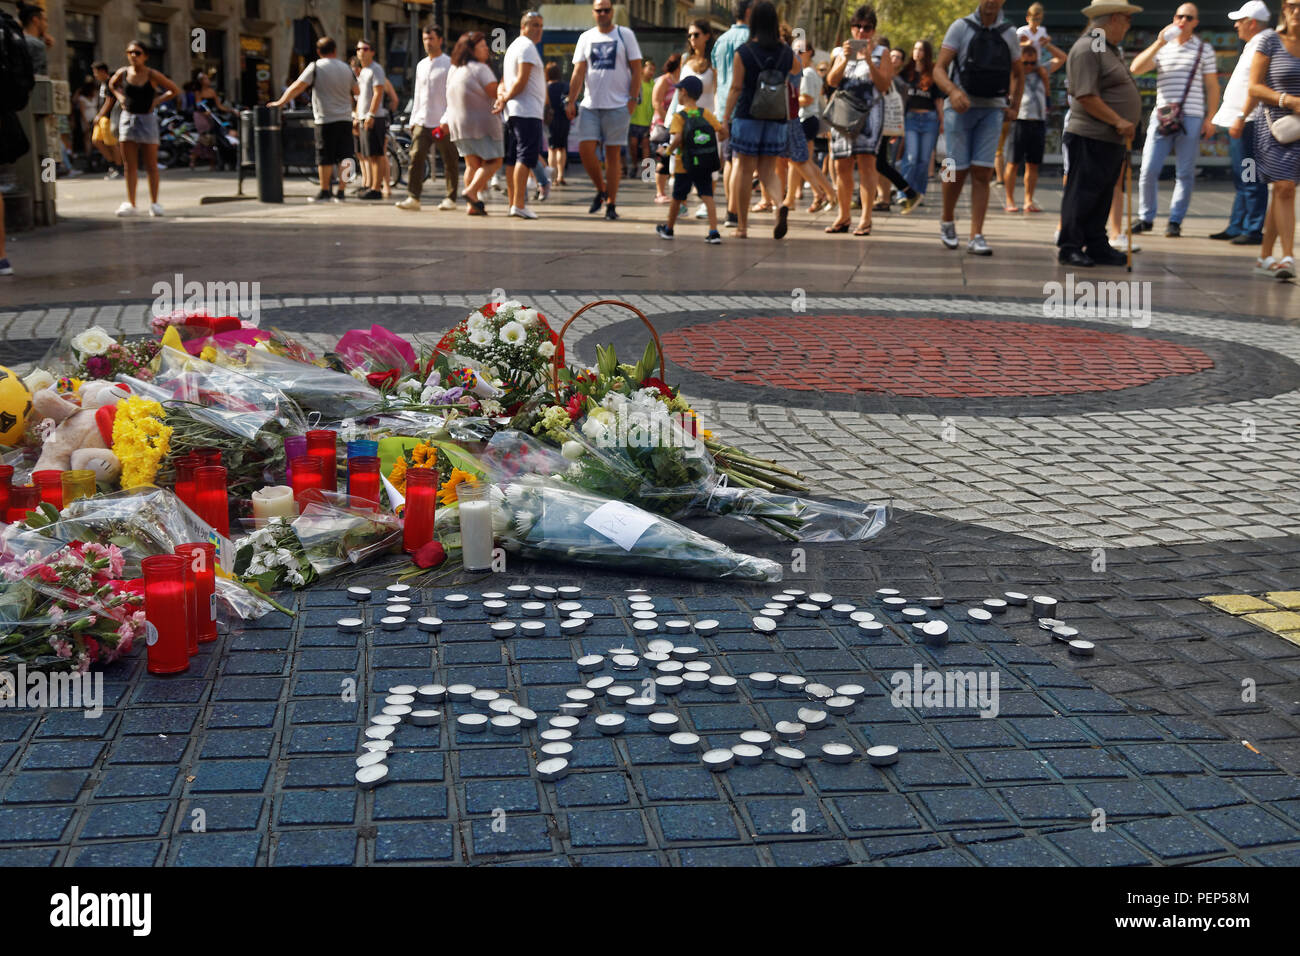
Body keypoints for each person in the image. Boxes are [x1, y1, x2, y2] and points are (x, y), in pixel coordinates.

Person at [933, 0, 1025, 255]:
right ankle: (947, 219)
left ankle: (977, 235)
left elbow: (1019, 73)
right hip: (959, 108)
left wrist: (1014, 106)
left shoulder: (1009, 33)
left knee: (983, 173)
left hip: (992, 110)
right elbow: (939, 68)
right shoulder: (960, 27)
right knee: (953, 168)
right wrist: (952, 91)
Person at [1058, 2, 1141, 267]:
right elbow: (1085, 95)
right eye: (1127, 20)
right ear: (1115, 18)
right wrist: (1118, 120)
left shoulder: (1107, 49)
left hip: (1109, 137)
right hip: (1090, 135)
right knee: (1082, 193)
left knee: (1102, 194)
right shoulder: (1087, 48)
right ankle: (1070, 246)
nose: (1128, 27)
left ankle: (1095, 243)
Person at [1129, 3, 1221, 237]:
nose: (1183, 21)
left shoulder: (1204, 49)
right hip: (1162, 114)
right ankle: (1146, 217)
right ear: (1174, 18)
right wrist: (1160, 41)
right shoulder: (1163, 47)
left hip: (1191, 115)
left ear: (1195, 22)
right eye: (1180, 16)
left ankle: (1175, 221)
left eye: (1189, 18)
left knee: (1185, 172)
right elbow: (1136, 68)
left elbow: (1212, 86)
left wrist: (1211, 117)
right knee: (1148, 168)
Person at [721, 0, 799, 239]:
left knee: (745, 170)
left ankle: (742, 226)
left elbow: (735, 88)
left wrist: (725, 118)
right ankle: (779, 204)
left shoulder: (744, 52)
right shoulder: (785, 51)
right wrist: (785, 46)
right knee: (768, 171)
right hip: (776, 117)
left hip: (748, 115)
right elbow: (797, 69)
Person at [567, 0, 643, 221]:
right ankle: (601, 190)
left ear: (612, 12)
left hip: (618, 104)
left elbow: (637, 69)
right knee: (585, 149)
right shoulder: (586, 38)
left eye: (606, 10)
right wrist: (570, 100)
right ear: (593, 13)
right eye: (598, 10)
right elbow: (578, 72)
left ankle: (611, 202)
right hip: (590, 104)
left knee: (613, 156)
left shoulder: (624, 34)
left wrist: (632, 98)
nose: (602, 13)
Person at [824, 6, 894, 236]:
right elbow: (832, 81)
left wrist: (870, 61)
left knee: (866, 163)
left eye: (867, 28)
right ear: (852, 28)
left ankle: (865, 218)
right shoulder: (840, 51)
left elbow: (883, 86)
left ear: (873, 30)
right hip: (843, 113)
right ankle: (843, 216)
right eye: (858, 27)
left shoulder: (882, 52)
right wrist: (845, 58)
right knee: (840, 164)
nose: (862, 32)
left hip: (869, 114)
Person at [1211, 2, 1275, 244]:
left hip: (1248, 121)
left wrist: (1241, 116)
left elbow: (1256, 86)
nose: (1236, 25)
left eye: (1240, 20)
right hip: (1240, 119)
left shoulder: (1264, 42)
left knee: (1250, 176)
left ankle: (1252, 229)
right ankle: (1238, 224)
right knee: (1242, 175)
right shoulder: (1254, 44)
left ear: (1252, 22)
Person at [272, 37, 359, 203]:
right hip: (345, 119)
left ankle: (325, 190)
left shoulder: (315, 67)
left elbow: (298, 86)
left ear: (319, 52)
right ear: (335, 50)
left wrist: (280, 103)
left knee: (324, 156)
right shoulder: (346, 68)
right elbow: (356, 90)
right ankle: (341, 191)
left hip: (325, 119)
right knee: (346, 156)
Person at [1249, 0, 1300, 279]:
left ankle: (1265, 254)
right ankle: (1288, 257)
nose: (1297, 10)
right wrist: (1288, 100)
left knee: (1283, 191)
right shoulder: (1270, 40)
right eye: (1292, 4)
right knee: (1284, 186)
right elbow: (1254, 86)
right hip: (1273, 125)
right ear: (1284, 8)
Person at [107, 42, 181, 217]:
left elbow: (173, 90)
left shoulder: (152, 74)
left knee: (151, 165)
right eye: (130, 52)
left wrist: (155, 102)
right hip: (128, 118)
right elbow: (112, 85)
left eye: (137, 52)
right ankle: (131, 203)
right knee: (129, 165)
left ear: (145, 56)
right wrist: (120, 97)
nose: (133, 55)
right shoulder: (123, 73)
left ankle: (154, 203)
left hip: (147, 119)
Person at [655, 74, 725, 243]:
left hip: (683, 164)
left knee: (678, 198)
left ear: (684, 92)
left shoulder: (679, 117)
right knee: (707, 195)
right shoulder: (705, 113)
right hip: (704, 163)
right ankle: (714, 231)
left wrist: (667, 151)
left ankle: (669, 229)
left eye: (678, 91)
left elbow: (678, 138)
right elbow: (722, 131)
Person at [396, 26, 458, 212]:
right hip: (422, 121)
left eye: (431, 38)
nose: (427, 42)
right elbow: (418, 93)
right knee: (415, 157)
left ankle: (450, 198)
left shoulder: (449, 64)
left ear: (440, 40)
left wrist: (447, 118)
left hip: (442, 122)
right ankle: (413, 197)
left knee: (449, 160)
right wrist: (413, 119)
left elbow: (453, 94)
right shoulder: (421, 65)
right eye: (425, 39)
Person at [496, 11, 548, 220]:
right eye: (534, 25)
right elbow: (521, 80)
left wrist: (503, 98)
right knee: (525, 158)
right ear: (523, 27)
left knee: (512, 159)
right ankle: (519, 204)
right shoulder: (526, 46)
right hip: (527, 112)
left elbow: (505, 80)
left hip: (515, 112)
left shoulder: (513, 47)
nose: (538, 29)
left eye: (541, 25)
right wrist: (506, 97)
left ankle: (513, 203)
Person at [1004, 38, 1065, 212]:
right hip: (1020, 120)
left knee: (1033, 164)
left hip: (1038, 121)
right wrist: (1020, 45)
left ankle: (1028, 200)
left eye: (1032, 62)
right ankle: (1009, 200)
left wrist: (1045, 44)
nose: (1029, 66)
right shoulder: (1014, 72)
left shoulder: (1042, 70)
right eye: (1026, 62)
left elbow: (1062, 58)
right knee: (1013, 162)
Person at [446, 31, 503, 216]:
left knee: (472, 164)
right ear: (471, 50)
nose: (487, 49)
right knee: (494, 161)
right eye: (483, 46)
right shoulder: (480, 68)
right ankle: (471, 192)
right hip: (481, 123)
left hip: (458, 123)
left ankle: (473, 204)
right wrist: (504, 83)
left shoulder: (454, 69)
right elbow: (494, 92)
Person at [713, 0, 753, 227]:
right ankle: (734, 212)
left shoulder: (721, 40)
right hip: (745, 106)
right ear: (748, 12)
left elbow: (719, 76)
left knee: (728, 161)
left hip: (723, 109)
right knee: (740, 162)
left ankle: (730, 209)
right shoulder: (752, 39)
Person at [789, 38, 835, 212]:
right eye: (794, 51)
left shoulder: (807, 73)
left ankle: (821, 194)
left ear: (809, 52)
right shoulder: (809, 72)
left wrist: (789, 99)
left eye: (800, 51)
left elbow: (807, 99)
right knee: (801, 161)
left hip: (805, 119)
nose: (796, 54)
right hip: (807, 119)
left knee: (800, 160)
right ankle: (824, 194)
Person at [897, 40, 943, 206]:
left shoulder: (933, 72)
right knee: (911, 157)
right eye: (915, 49)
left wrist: (942, 120)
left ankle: (919, 193)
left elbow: (938, 100)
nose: (917, 52)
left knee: (924, 160)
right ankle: (904, 192)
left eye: (921, 49)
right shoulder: (905, 73)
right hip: (910, 119)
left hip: (930, 119)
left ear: (927, 52)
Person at [354, 39, 392, 200]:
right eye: (358, 49)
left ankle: (377, 188)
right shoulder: (363, 71)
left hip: (375, 117)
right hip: (363, 117)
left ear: (372, 52)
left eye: (365, 48)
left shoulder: (376, 69)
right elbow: (361, 97)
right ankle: (371, 186)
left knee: (377, 154)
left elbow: (378, 93)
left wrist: (370, 114)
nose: (361, 51)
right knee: (368, 155)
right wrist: (357, 116)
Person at [651, 54, 682, 202]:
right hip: (663, 125)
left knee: (672, 157)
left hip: (676, 125)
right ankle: (659, 193)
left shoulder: (680, 80)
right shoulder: (665, 80)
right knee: (662, 157)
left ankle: (668, 190)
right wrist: (667, 121)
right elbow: (656, 103)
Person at [90, 61, 123, 178]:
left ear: (103, 71)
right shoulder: (102, 84)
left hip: (108, 117)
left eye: (96, 72)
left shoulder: (110, 83)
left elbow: (110, 101)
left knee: (112, 143)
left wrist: (100, 115)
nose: (95, 75)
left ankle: (119, 168)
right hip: (102, 118)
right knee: (96, 141)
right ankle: (112, 164)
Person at [546, 62, 570, 184]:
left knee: (551, 149)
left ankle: (553, 178)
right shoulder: (565, 86)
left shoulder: (545, 87)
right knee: (562, 148)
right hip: (563, 119)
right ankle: (561, 176)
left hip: (550, 120)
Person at [18, 3, 48, 76]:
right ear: (35, 20)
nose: (46, 25)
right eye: (45, 20)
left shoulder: (17, 39)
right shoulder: (37, 44)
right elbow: (38, 77)